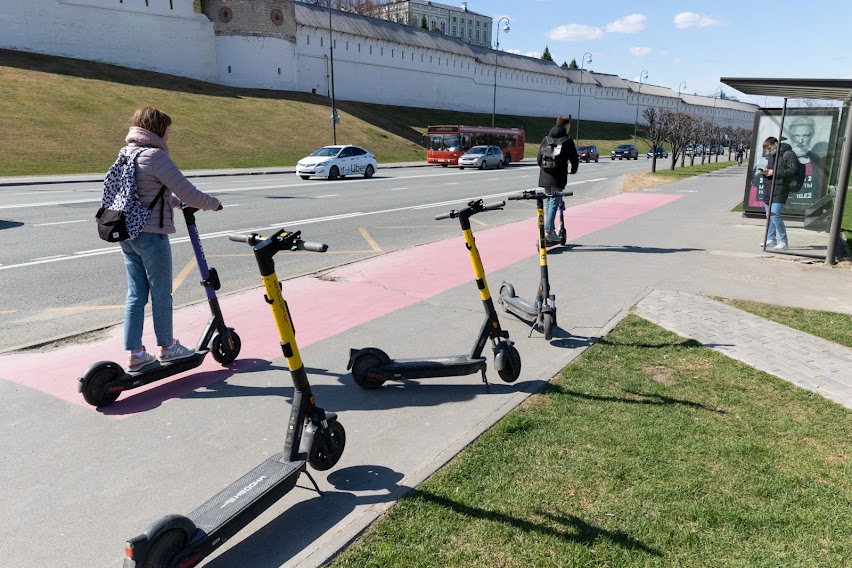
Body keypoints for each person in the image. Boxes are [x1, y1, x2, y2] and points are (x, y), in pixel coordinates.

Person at [117, 107, 223, 372]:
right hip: (152, 234)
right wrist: (213, 204)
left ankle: (135, 353)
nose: (169, 136)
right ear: (158, 129)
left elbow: (140, 192)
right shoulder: (155, 156)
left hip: (126, 233)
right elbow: (189, 192)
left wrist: (172, 203)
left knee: (136, 294)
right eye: (168, 130)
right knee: (162, 292)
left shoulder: (126, 152)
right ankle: (167, 347)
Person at [537, 115, 579, 242]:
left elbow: (539, 159)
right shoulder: (567, 140)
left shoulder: (546, 138)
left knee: (549, 202)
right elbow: (574, 159)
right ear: (566, 126)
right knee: (554, 203)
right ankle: (549, 232)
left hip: (545, 176)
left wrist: (546, 169)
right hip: (558, 176)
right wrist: (573, 170)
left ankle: (549, 230)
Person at [757, 136, 798, 251]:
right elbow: (772, 172)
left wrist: (774, 172)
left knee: (775, 215)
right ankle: (771, 239)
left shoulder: (788, 154)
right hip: (769, 189)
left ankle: (784, 241)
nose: (768, 152)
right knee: (769, 216)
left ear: (776, 144)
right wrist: (766, 172)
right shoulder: (773, 156)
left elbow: (793, 171)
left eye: (769, 149)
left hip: (780, 190)